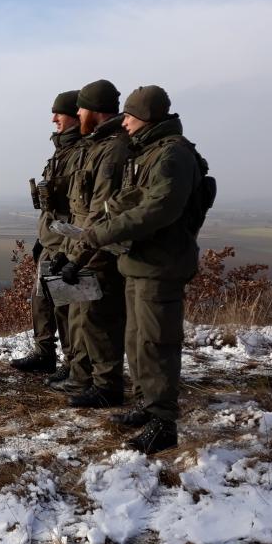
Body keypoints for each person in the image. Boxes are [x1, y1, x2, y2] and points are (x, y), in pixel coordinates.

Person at [82, 86, 203, 453]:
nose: (127, 124)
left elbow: (158, 210)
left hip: (161, 264)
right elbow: (134, 200)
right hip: (140, 262)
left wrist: (101, 232)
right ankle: (146, 404)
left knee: (156, 342)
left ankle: (163, 422)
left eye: (131, 117)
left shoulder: (172, 155)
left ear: (147, 117)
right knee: (137, 342)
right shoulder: (149, 153)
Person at [52, 79, 130, 408]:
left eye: (80, 108)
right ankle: (86, 378)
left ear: (94, 111)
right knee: (86, 317)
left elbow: (100, 212)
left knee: (99, 319)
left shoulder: (113, 149)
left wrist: (79, 256)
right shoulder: (97, 145)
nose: (74, 114)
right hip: (85, 245)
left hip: (99, 249)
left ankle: (105, 385)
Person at [11, 90, 83, 381]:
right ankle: (44, 353)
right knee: (40, 300)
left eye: (59, 113)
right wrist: (42, 239)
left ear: (76, 116)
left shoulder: (82, 152)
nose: (54, 118)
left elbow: (79, 208)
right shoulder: (62, 151)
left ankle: (72, 363)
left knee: (66, 306)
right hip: (50, 239)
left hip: (67, 242)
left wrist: (70, 247)